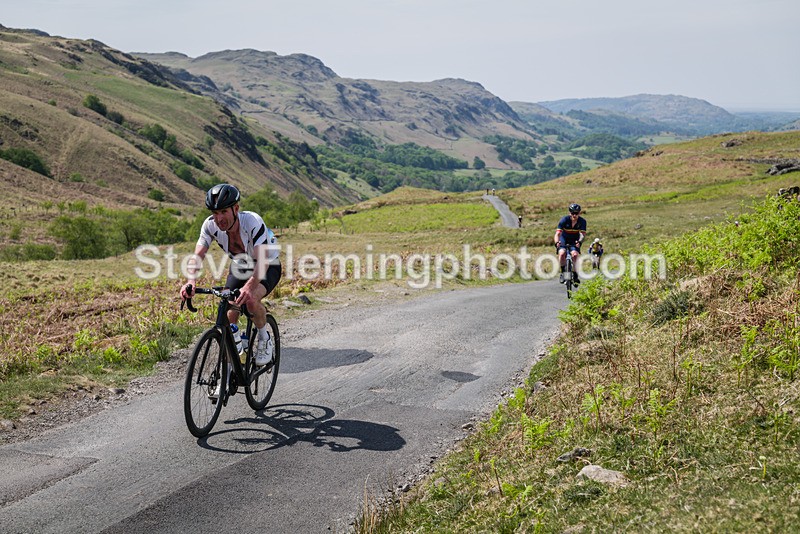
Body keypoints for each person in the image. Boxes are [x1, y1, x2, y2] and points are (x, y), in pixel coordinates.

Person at [180, 183, 281, 368]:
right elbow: (198, 255)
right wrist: (190, 281)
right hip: (241, 264)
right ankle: (232, 354)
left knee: (250, 300)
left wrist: (249, 287)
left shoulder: (252, 221)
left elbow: (262, 262)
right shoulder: (210, 225)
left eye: (224, 211)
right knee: (228, 306)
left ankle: (264, 338)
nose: (219, 218)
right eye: (215, 213)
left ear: (236, 209)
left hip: (267, 264)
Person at [554, 203, 586, 284]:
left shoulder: (582, 221)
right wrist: (557, 242)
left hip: (574, 239)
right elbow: (557, 234)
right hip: (563, 238)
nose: (574, 215)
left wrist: (580, 241)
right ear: (569, 213)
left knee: (575, 255)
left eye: (576, 213)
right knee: (561, 253)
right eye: (572, 213)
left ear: (579, 213)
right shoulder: (564, 220)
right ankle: (563, 273)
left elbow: (582, 234)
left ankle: (575, 275)